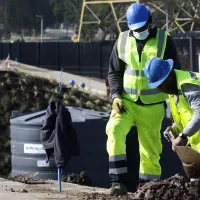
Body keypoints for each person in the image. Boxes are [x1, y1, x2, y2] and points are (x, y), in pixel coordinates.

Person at [106, 2, 181, 196]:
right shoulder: (122, 40)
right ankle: (118, 183)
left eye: (141, 28)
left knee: (150, 149)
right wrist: (115, 96)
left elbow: (175, 74)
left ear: (150, 22)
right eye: (134, 29)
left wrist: (176, 108)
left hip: (153, 105)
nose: (138, 32)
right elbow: (114, 73)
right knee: (114, 130)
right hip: (126, 102)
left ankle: (147, 189)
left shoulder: (165, 40)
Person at [144, 57, 200, 153]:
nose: (162, 88)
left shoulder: (188, 85)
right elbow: (186, 117)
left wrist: (182, 136)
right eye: (158, 86)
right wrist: (175, 129)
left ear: (170, 74)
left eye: (162, 83)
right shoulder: (174, 89)